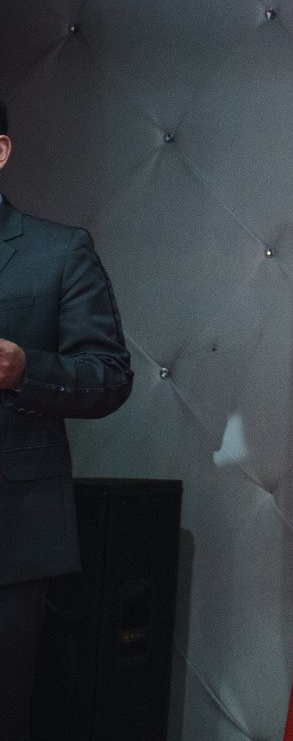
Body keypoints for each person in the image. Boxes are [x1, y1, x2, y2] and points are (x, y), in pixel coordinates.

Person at [0, 102, 133, 740]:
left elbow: (108, 375)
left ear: (0, 151)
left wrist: (25, 368)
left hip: (13, 531)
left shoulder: (57, 251)